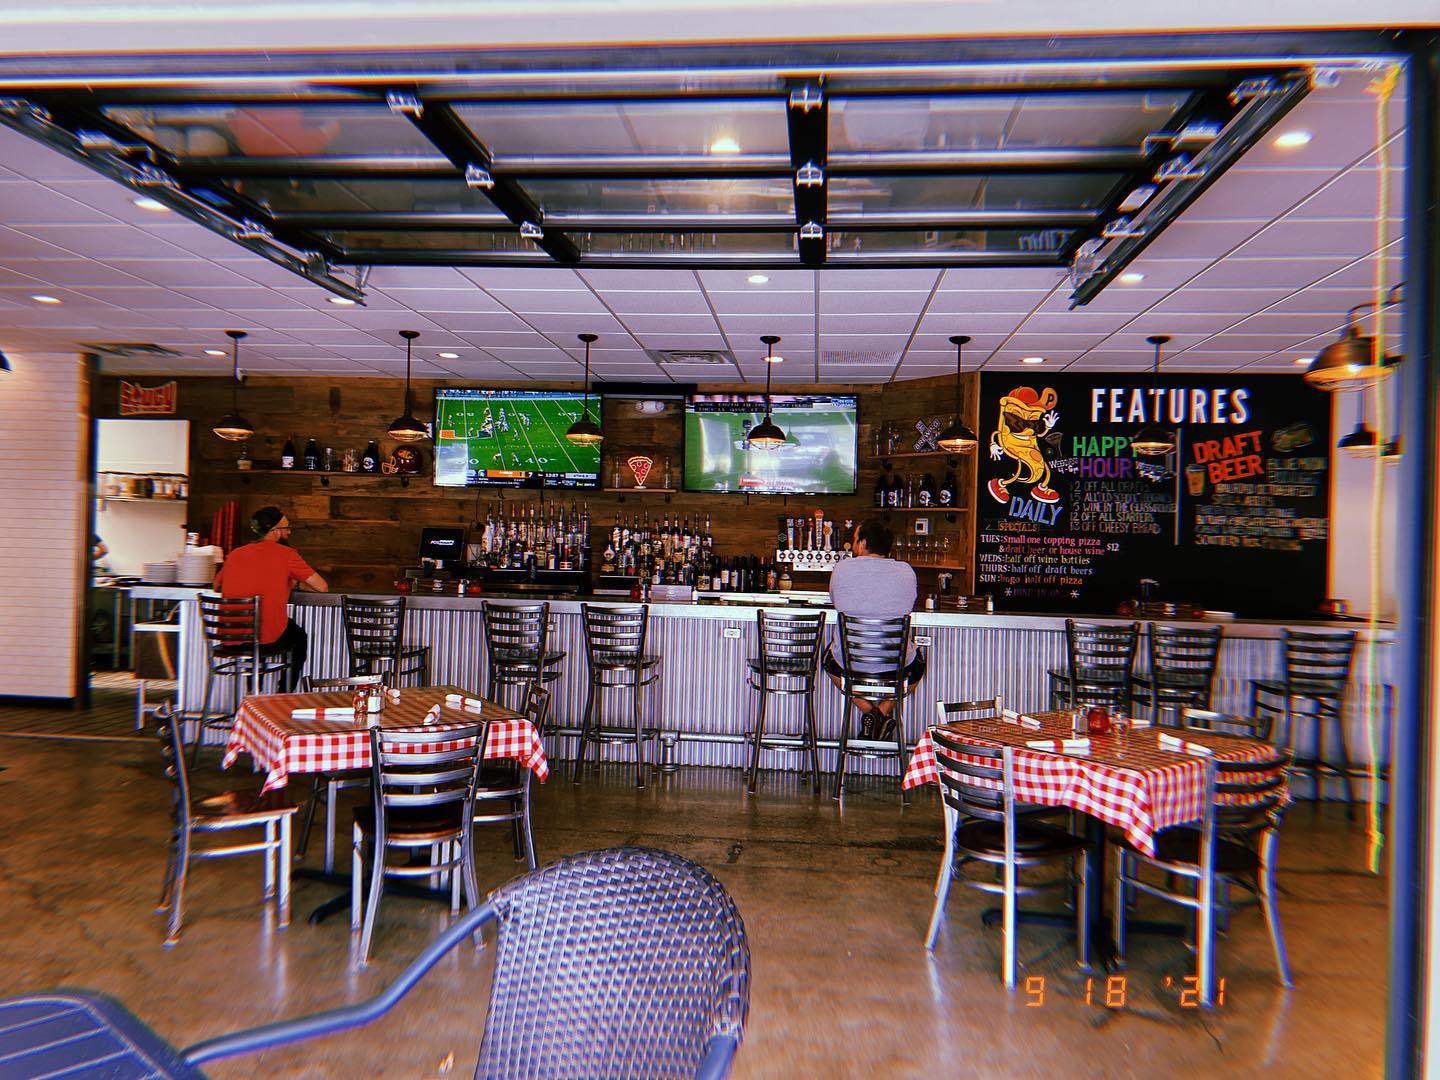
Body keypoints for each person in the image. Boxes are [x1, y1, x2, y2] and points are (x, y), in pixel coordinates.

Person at [823, 516, 926, 739]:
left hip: (850, 664)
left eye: (855, 540)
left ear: (863, 543)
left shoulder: (842, 569)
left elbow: (836, 601)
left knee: (827, 661)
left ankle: (870, 712)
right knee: (917, 668)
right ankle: (882, 712)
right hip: (895, 665)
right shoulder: (906, 571)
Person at [212, 506, 327, 692]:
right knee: (299, 637)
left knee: (258, 634)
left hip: (231, 637)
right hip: (264, 639)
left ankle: (253, 691)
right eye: (287, 528)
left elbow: (216, 586)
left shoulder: (235, 554)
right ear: (275, 531)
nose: (289, 532)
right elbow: (322, 587)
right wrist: (294, 583)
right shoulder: (287, 554)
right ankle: (283, 694)